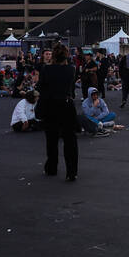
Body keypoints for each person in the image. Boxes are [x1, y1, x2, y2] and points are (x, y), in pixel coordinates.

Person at [37, 44, 79, 181]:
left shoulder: (46, 69)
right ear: (66, 55)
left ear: (53, 55)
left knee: (51, 139)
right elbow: (71, 90)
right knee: (70, 140)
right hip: (66, 105)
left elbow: (41, 88)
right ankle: (71, 171)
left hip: (50, 105)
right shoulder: (71, 69)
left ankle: (51, 167)